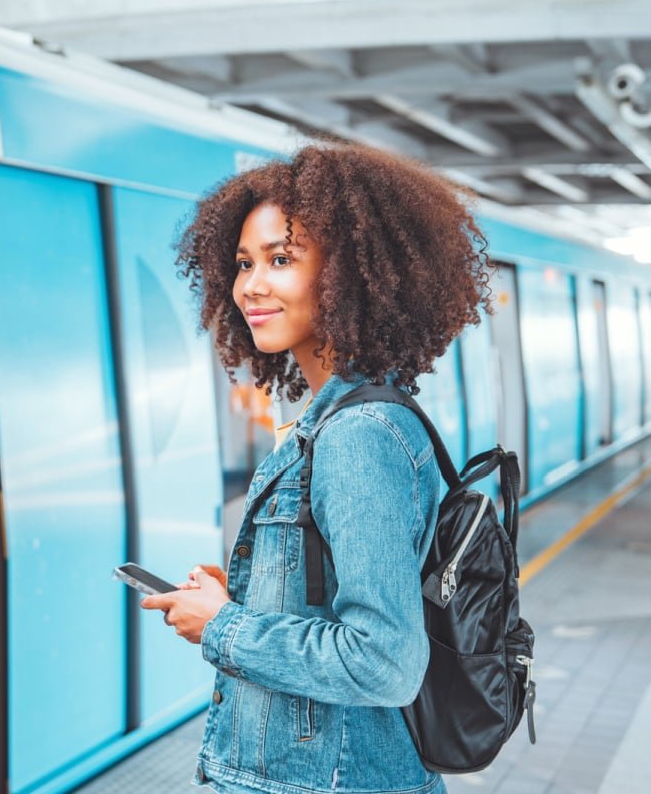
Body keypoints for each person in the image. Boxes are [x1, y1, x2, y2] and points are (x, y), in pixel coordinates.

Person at [140, 143, 493, 794]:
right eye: (243, 263)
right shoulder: (342, 420)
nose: (250, 285)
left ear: (349, 274)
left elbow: (384, 663)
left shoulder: (357, 434)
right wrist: (248, 595)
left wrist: (222, 625)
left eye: (281, 259)